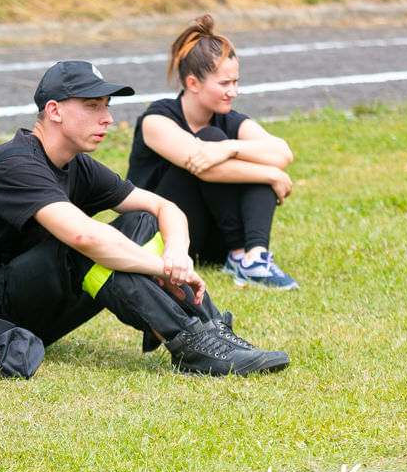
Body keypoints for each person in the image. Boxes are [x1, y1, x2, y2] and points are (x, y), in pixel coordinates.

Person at [0, 60, 291, 377]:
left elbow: (164, 208)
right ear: (54, 111)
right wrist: (161, 268)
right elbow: (84, 238)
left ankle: (210, 329)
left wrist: (177, 254)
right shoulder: (16, 161)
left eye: (107, 106)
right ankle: (189, 343)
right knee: (82, 247)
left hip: (29, 306)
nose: (107, 118)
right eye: (93, 106)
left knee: (140, 220)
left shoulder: (76, 164)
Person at [127, 15, 298, 290]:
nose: (234, 91)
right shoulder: (156, 120)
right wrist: (270, 175)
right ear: (193, 83)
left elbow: (282, 152)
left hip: (209, 244)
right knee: (211, 140)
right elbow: (201, 164)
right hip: (161, 239)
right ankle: (244, 255)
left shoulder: (228, 118)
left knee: (227, 144)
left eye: (236, 82)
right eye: (224, 84)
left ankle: (252, 257)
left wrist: (231, 147)